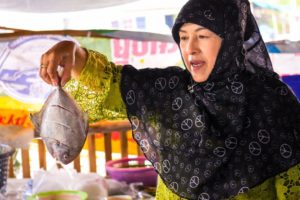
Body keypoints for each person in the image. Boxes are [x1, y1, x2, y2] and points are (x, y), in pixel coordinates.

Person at [39, 0, 300, 199]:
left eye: (203, 35)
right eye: (184, 37)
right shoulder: (170, 91)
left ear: (231, 38)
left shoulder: (272, 101)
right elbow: (110, 82)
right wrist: (71, 50)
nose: (190, 48)